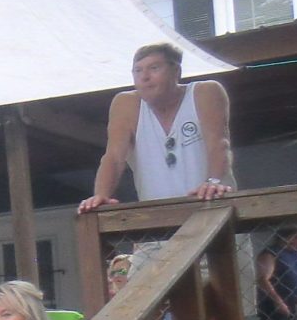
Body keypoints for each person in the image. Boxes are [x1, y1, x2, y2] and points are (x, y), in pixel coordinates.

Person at [80, 41, 235, 212]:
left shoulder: (205, 92)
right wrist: (101, 195)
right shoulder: (126, 104)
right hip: (158, 220)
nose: (144, 77)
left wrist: (214, 182)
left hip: (213, 207)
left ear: (176, 71)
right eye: (138, 70)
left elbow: (218, 144)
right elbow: (114, 157)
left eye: (154, 68)